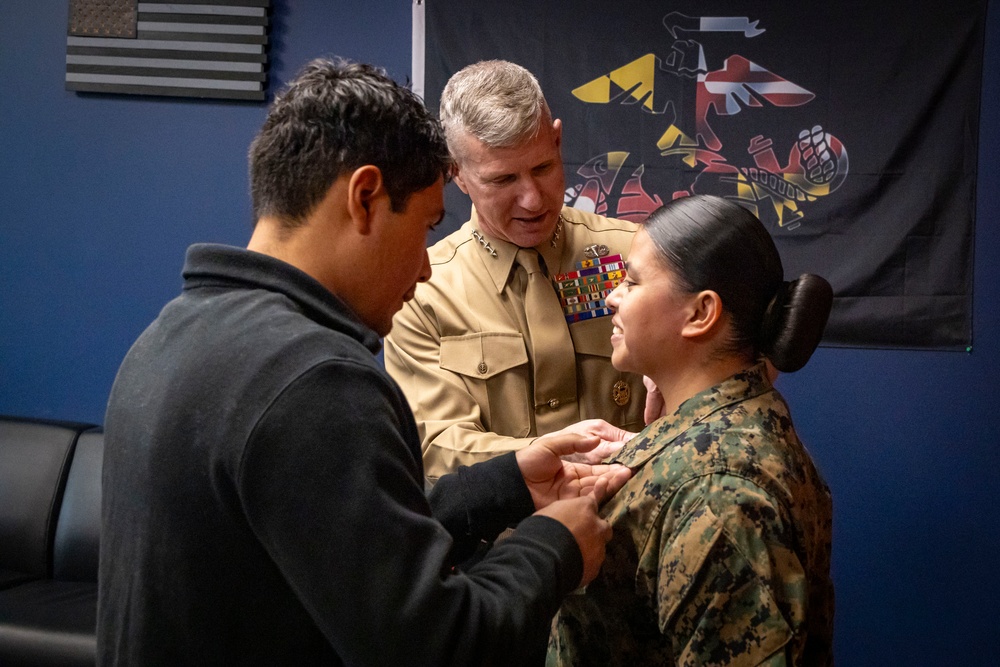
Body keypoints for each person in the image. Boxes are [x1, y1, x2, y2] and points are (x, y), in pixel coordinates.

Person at [97, 57, 633, 666]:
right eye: (427, 226)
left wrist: (505, 482)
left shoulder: (170, 337)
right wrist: (555, 544)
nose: (427, 265)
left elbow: (337, 542)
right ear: (366, 198)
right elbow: (439, 645)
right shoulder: (313, 378)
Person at [548, 195, 836, 666]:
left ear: (701, 313)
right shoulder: (739, 423)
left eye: (633, 282)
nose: (611, 296)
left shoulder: (715, 493)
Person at [385, 60, 646, 480]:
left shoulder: (635, 254)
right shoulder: (422, 292)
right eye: (503, 179)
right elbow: (435, 446)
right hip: (506, 539)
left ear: (557, 141)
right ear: (456, 172)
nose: (532, 199)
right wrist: (556, 457)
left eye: (542, 168)